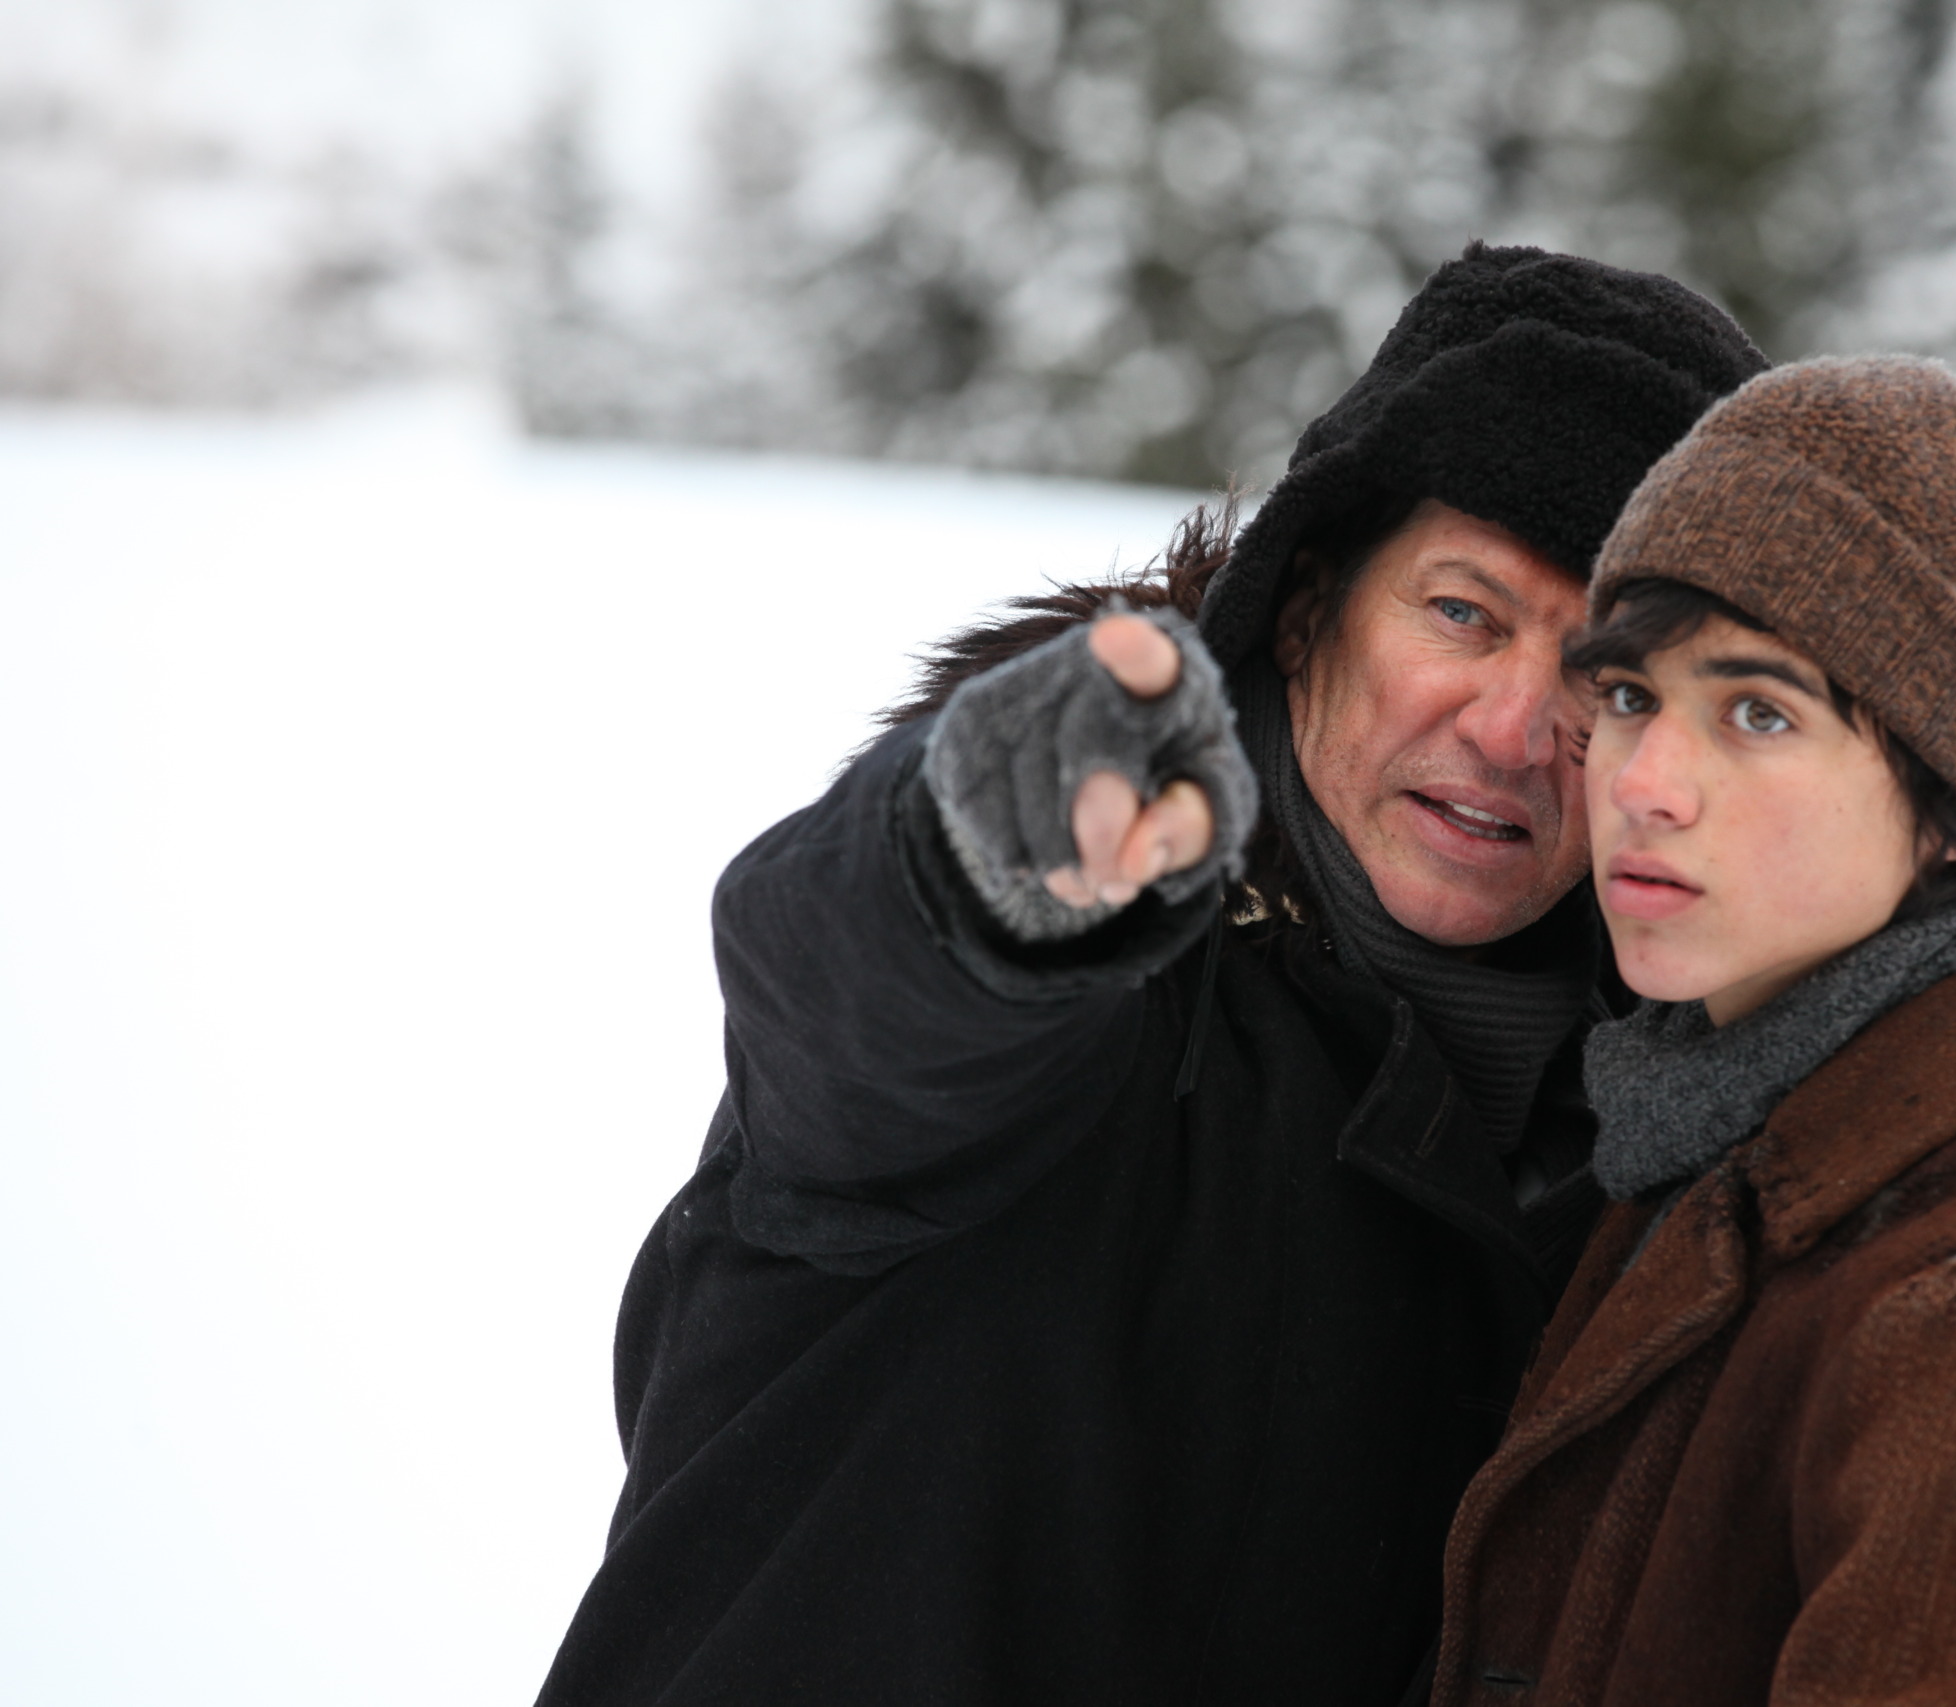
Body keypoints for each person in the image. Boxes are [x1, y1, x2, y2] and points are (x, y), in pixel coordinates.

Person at [534, 244, 1765, 1707]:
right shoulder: (1094, 987)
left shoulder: (1652, 1188)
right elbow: (846, 1008)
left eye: (1601, 678)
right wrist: (971, 876)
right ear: (1306, 609)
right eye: (1462, 614)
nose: (1513, 730)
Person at [1431, 356, 1956, 1707]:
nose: (1646, 784)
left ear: (1950, 806)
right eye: (1631, 696)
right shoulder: (1725, 1097)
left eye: (1759, 713)